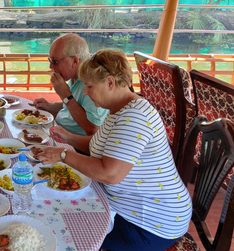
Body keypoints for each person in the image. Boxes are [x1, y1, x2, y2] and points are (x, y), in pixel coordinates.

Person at [37, 49, 192, 251]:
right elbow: (104, 146)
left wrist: (64, 154)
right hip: (131, 209)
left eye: (90, 86)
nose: (85, 92)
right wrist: (69, 137)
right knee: (57, 205)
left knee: (62, 231)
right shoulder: (120, 108)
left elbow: (109, 174)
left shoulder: (135, 117)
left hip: (150, 223)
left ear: (110, 82)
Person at [33, 34, 108, 138]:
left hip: (74, 143)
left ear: (75, 61)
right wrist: (49, 105)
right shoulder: (73, 74)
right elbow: (76, 104)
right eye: (50, 60)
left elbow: (92, 128)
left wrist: (65, 95)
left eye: (54, 61)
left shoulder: (92, 81)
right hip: (59, 129)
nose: (50, 66)